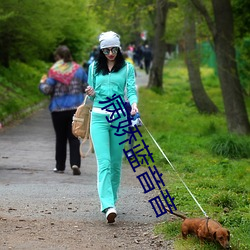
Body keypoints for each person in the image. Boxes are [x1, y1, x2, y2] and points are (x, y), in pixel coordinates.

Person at [85, 31, 138, 223]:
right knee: (104, 162)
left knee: (116, 163)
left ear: (119, 48)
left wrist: (133, 104)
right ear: (101, 50)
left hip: (119, 118)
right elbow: (91, 96)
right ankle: (107, 205)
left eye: (114, 49)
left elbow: (131, 90)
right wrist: (90, 92)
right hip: (98, 117)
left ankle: (112, 201)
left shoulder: (127, 68)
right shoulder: (93, 68)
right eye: (106, 50)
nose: (110, 53)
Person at [39, 45, 88, 175]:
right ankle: (75, 163)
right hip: (75, 109)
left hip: (58, 109)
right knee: (74, 137)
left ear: (58, 57)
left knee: (60, 138)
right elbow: (86, 87)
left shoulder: (54, 71)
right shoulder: (79, 70)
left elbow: (47, 90)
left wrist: (42, 83)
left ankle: (60, 166)